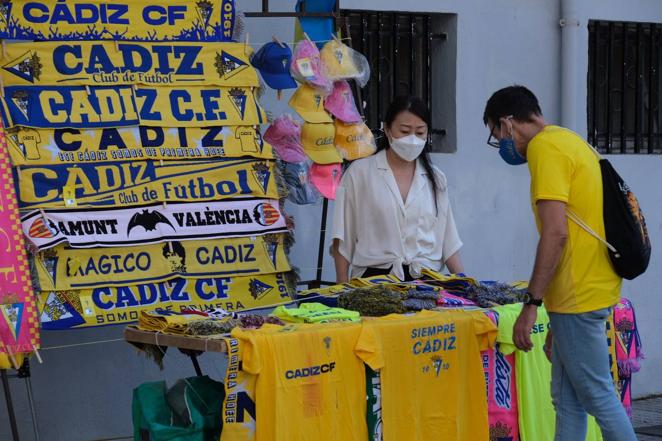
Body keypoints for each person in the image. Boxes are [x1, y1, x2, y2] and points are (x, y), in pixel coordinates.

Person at [483, 85, 637, 441]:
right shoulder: (568, 140)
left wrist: (532, 305)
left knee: (598, 395)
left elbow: (555, 234)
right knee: (567, 400)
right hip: (588, 289)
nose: (503, 144)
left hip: (578, 292)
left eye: (496, 134)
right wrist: (557, 316)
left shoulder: (544, 149)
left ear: (508, 124)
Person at [331, 96, 464, 283]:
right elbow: (342, 238)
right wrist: (341, 287)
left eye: (420, 132)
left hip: (426, 282)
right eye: (404, 131)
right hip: (374, 281)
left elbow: (448, 241)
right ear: (387, 129)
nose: (412, 139)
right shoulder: (359, 173)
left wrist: (466, 286)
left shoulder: (436, 178)